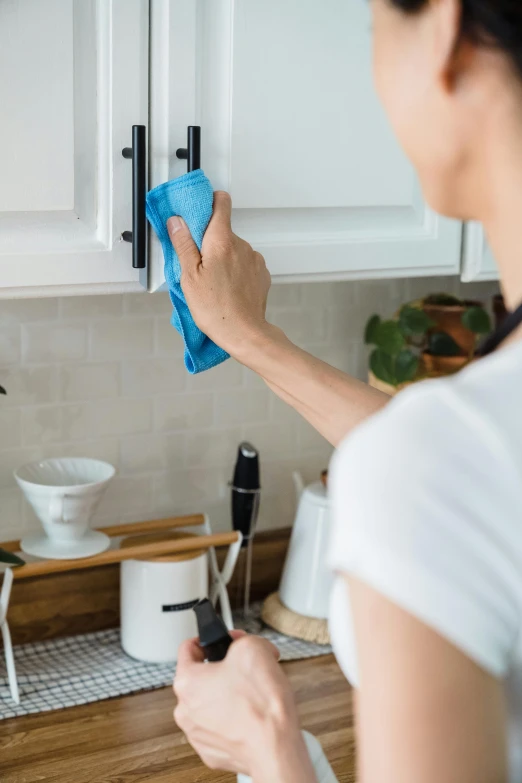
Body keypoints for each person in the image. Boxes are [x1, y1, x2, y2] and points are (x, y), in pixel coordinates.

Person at [169, 1, 522, 781]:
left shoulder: (437, 464)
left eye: (374, 33)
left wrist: (268, 741)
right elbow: (469, 467)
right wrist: (250, 337)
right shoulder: (457, 450)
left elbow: (446, 468)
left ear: (443, 31)